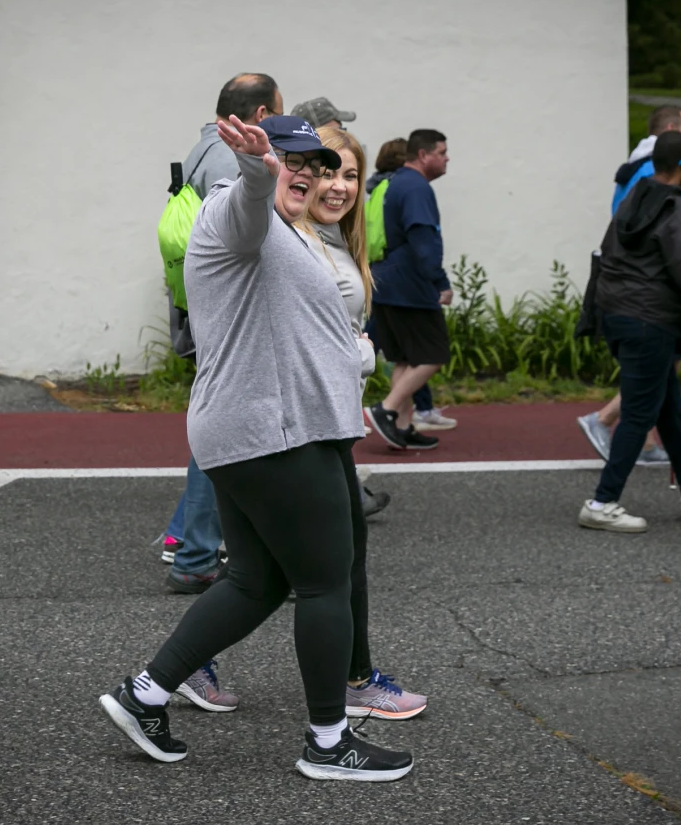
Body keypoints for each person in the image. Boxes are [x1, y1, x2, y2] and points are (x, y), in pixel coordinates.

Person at [98, 115, 413, 781]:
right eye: (292, 161)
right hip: (274, 430)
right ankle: (328, 743)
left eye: (316, 165)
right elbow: (247, 202)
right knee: (325, 582)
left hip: (267, 426)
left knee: (256, 581)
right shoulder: (236, 211)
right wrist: (254, 168)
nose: (308, 174)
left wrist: (349, 353)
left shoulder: (291, 231)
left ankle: (145, 693)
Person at [296, 125, 426, 717]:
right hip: (305, 428)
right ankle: (352, 687)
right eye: (329, 172)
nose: (340, 186)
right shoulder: (299, 241)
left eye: (351, 175)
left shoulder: (337, 241)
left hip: (329, 423)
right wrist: (361, 354)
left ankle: (170, 676)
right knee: (325, 563)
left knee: (263, 572)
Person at [578, 132, 681, 533]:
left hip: (617, 315)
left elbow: (607, 256)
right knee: (639, 414)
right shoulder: (678, 214)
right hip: (650, 322)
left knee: (668, 409)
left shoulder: (631, 201)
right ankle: (602, 502)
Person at [162, 73, 282, 593]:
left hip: (205, 313)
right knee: (225, 434)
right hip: (230, 319)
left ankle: (188, 541)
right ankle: (194, 552)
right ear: (261, 114)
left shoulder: (201, 149)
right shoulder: (229, 160)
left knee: (220, 433)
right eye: (278, 112)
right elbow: (247, 239)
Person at [578, 105, 681, 466]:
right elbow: (674, 224)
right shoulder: (660, 173)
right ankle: (604, 420)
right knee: (661, 365)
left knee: (662, 366)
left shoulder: (636, 167)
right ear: (670, 129)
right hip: (652, 285)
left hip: (631, 281)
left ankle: (647, 445)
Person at [363, 129, 452, 451]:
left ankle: (401, 427)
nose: (447, 159)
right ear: (423, 155)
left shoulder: (394, 183)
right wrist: (439, 281)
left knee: (405, 358)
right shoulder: (416, 187)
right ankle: (386, 410)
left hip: (385, 281)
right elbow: (423, 239)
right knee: (434, 354)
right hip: (410, 285)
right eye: (441, 152)